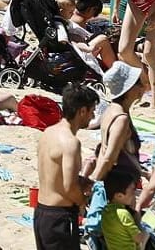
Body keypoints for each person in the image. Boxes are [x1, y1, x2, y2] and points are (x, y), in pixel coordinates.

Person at [35, 85, 97, 250]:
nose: (93, 116)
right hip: (60, 217)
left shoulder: (48, 133)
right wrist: (83, 202)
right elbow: (69, 187)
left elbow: (53, 175)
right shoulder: (71, 142)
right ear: (82, 111)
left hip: (41, 212)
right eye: (92, 111)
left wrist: (82, 181)